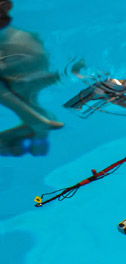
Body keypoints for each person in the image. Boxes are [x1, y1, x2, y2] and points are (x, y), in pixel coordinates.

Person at [0, 0, 63, 156]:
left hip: (18, 60)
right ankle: (37, 124)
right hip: (34, 50)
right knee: (28, 95)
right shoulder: (24, 33)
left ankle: (34, 120)